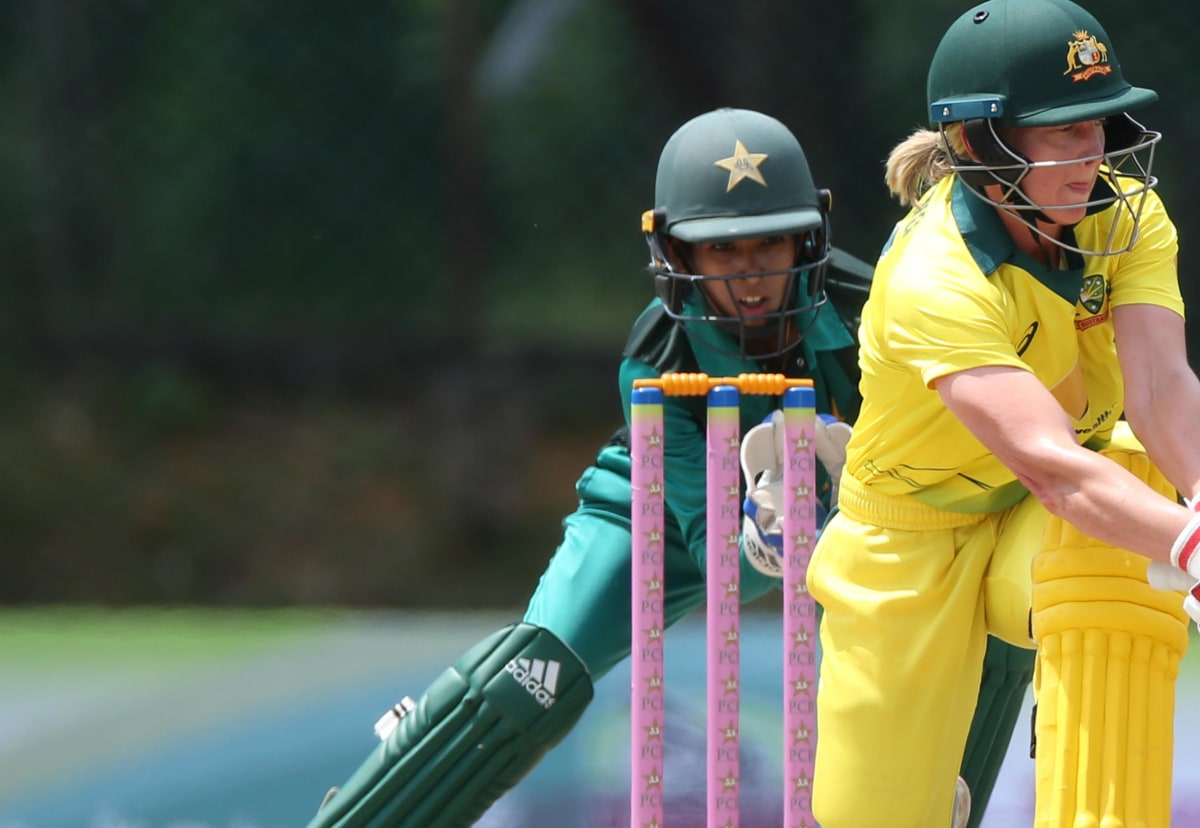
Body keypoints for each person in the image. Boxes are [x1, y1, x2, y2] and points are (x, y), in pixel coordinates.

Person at [306, 107, 1025, 828]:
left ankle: (935, 799)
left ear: (809, 234)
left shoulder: (879, 308)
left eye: (770, 243)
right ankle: (378, 810)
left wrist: (833, 488)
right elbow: (714, 559)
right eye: (722, 251)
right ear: (676, 254)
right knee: (529, 675)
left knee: (981, 613)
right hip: (659, 506)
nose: (751, 275)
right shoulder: (656, 358)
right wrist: (764, 523)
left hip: (872, 505)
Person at [807, 1, 1200, 826]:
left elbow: (1160, 384)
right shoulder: (933, 278)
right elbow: (1051, 465)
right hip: (909, 533)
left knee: (1123, 542)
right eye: (1059, 132)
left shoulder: (1128, 218)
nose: (1090, 153)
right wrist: (1196, 547)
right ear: (977, 147)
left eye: (1096, 124)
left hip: (1044, 514)